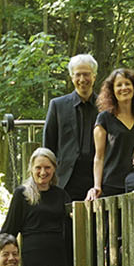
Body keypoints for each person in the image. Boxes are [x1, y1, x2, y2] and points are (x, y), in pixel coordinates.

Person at [0, 148, 75, 266]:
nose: (43, 172)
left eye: (47, 167)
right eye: (38, 168)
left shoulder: (61, 195)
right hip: (33, 256)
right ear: (31, 169)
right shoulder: (22, 194)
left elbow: (71, 226)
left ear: (54, 169)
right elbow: (9, 228)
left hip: (58, 255)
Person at [43, 54, 100, 201]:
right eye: (78, 75)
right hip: (66, 180)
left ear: (94, 76)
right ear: (71, 77)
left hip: (97, 179)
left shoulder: (105, 107)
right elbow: (49, 145)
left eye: (86, 74)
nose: (82, 79)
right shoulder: (58, 105)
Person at [90, 67, 134, 200]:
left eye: (127, 84)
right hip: (111, 185)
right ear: (112, 91)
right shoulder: (104, 119)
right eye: (119, 85)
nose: (124, 88)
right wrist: (97, 185)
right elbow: (99, 156)